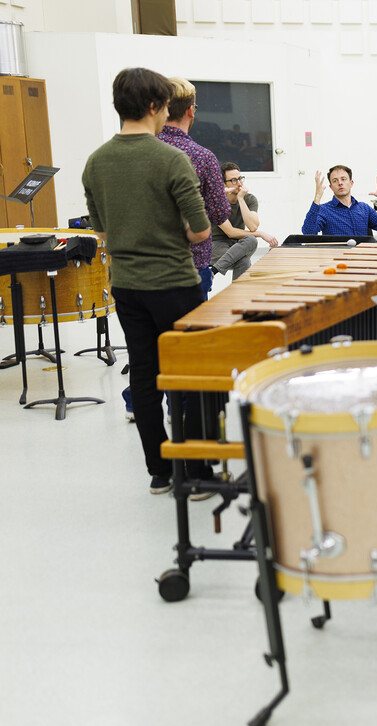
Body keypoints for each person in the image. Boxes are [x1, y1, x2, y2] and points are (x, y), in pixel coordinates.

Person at [82, 68, 211, 495]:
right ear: (155, 107)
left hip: (127, 286)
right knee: (190, 375)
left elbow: (100, 230)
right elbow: (200, 231)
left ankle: (159, 471)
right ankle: (194, 471)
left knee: (144, 372)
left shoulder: (96, 161)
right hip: (174, 283)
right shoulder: (171, 159)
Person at [156, 77, 230, 299]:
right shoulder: (202, 157)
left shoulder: (140, 151)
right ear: (191, 110)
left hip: (145, 268)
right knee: (190, 333)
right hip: (190, 264)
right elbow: (220, 214)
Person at [302, 165, 377, 243]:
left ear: (351, 183)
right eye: (335, 181)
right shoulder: (324, 210)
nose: (340, 183)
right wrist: (317, 198)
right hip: (340, 260)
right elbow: (308, 233)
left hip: (367, 257)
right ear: (331, 187)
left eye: (343, 179)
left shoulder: (364, 208)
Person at [210, 162, 280, 279]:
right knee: (243, 260)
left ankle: (213, 272)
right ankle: (238, 295)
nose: (239, 183)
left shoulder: (249, 199)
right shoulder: (216, 201)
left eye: (240, 179)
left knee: (251, 240)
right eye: (233, 180)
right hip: (217, 244)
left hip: (239, 243)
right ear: (223, 184)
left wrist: (241, 199)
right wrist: (261, 234)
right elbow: (230, 232)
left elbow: (252, 226)